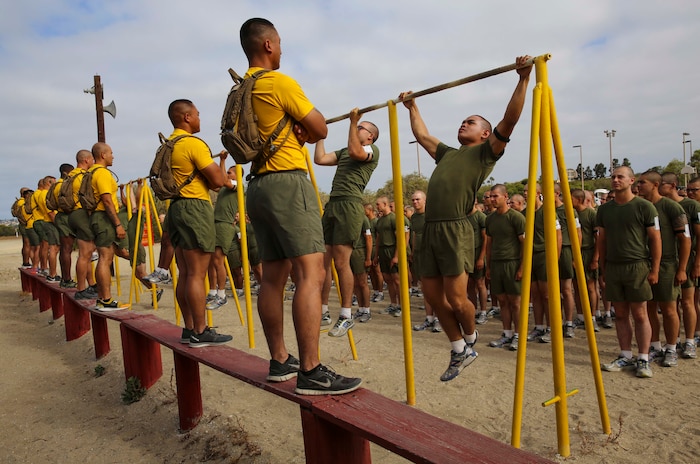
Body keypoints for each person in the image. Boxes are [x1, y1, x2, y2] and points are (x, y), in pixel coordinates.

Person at [239, 18, 361, 395]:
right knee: (313, 273)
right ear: (270, 45)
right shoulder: (278, 81)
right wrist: (306, 125)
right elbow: (320, 128)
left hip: (257, 185)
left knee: (272, 278)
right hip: (287, 182)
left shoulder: (241, 89)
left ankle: (280, 360)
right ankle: (311, 370)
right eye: (280, 43)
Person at [399, 55, 533, 381]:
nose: (463, 124)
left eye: (471, 122)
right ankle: (460, 348)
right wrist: (412, 107)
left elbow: (510, 119)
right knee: (431, 296)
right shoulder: (447, 153)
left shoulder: (486, 153)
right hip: (430, 229)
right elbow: (423, 134)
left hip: (456, 229)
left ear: (486, 134)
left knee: (458, 300)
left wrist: (523, 79)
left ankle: (471, 337)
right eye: (463, 121)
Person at [163, 99, 232, 347]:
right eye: (198, 115)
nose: (200, 119)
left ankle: (189, 327)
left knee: (184, 272)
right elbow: (216, 181)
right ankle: (200, 331)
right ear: (187, 117)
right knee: (197, 273)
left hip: (176, 208)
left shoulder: (167, 146)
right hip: (194, 206)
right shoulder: (192, 144)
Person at [314, 110, 380, 337]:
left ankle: (346, 315)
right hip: (333, 204)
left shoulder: (371, 150)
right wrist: (320, 133)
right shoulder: (344, 152)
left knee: (342, 263)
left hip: (350, 205)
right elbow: (320, 159)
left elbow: (355, 150)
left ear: (370, 136)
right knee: (323, 263)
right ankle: (323, 310)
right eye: (358, 126)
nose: (358, 129)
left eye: (362, 127)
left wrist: (352, 122)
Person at [598, 166, 661, 379]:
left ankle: (643, 358)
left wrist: (654, 269)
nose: (615, 180)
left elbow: (655, 239)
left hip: (637, 265)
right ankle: (625, 354)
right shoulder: (605, 209)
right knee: (621, 314)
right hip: (614, 267)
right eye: (613, 177)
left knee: (640, 314)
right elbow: (602, 240)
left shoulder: (644, 207)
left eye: (620, 177)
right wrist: (604, 268)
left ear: (631, 180)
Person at [636, 170, 690, 367]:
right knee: (648, 307)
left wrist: (682, 268)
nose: (638, 186)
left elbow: (685, 239)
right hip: (644, 263)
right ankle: (655, 346)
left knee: (669, 308)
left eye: (642, 182)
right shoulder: (640, 206)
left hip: (667, 264)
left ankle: (672, 348)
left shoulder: (671, 207)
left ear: (655, 185)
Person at [88, 143, 129, 310]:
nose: (113, 156)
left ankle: (102, 298)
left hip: (96, 217)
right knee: (105, 258)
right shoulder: (102, 173)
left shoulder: (90, 172)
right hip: (104, 218)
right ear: (103, 155)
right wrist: (118, 224)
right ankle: (105, 299)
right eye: (111, 153)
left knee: (104, 257)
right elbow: (107, 200)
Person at [485, 184, 525, 351]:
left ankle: (519, 335)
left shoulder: (516, 217)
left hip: (512, 263)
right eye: (491, 196)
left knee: (516, 302)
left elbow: (524, 244)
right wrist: (488, 266)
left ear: (505, 196)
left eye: (496, 196)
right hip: (497, 264)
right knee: (502, 301)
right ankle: (506, 333)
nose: (493, 199)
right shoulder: (490, 219)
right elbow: (489, 243)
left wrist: (522, 267)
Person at [67, 150, 99, 299]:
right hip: (81, 213)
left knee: (85, 253)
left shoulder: (70, 176)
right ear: (86, 160)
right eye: (92, 159)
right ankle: (81, 289)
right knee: (85, 254)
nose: (93, 161)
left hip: (72, 214)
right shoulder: (81, 177)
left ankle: (90, 284)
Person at [206, 166, 239, 311]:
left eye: (230, 172)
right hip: (216, 224)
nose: (227, 174)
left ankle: (221, 294)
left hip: (225, 225)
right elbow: (215, 183)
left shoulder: (236, 186)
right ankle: (212, 291)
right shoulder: (224, 189)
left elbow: (223, 180)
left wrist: (222, 161)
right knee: (211, 261)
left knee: (218, 261)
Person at [411, 190, 442, 333]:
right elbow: (414, 235)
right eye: (413, 200)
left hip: (433, 255)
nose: (415, 202)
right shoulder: (414, 218)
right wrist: (413, 251)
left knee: (437, 289)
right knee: (425, 288)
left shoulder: (432, 215)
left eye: (418, 199)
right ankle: (429, 318)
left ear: (424, 201)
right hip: (419, 256)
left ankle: (439, 319)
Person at [570, 188, 600, 332]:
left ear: (579, 200)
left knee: (590, 287)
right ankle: (581, 316)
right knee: (576, 287)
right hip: (575, 253)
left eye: (571, 199)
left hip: (588, 252)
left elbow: (598, 238)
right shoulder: (570, 214)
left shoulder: (591, 214)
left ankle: (592, 317)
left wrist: (595, 258)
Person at [373, 196, 405, 316]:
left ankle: (402, 307)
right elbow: (378, 238)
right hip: (382, 251)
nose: (377, 207)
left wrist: (396, 256)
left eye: (378, 204)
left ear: (385, 204)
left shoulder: (394, 219)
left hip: (392, 250)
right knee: (388, 279)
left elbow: (400, 239)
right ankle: (393, 304)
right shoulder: (380, 220)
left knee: (397, 280)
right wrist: (376, 255)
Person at [53, 164, 77, 288]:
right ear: (66, 172)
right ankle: (67, 279)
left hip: (60, 217)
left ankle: (65, 277)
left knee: (64, 249)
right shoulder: (66, 185)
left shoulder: (56, 185)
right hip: (67, 217)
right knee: (67, 249)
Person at [467, 202, 489, 326]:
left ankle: (483, 311)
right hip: (467, 256)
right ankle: (473, 310)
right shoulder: (464, 217)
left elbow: (485, 239)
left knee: (480, 284)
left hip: (477, 255)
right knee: (470, 284)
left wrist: (481, 258)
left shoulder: (481, 217)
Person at [364, 203, 384, 304]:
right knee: (371, 272)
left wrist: (377, 253)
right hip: (369, 249)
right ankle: (375, 291)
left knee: (377, 271)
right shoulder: (367, 221)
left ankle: (380, 292)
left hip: (375, 248)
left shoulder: (376, 222)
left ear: (370, 210)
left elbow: (378, 237)